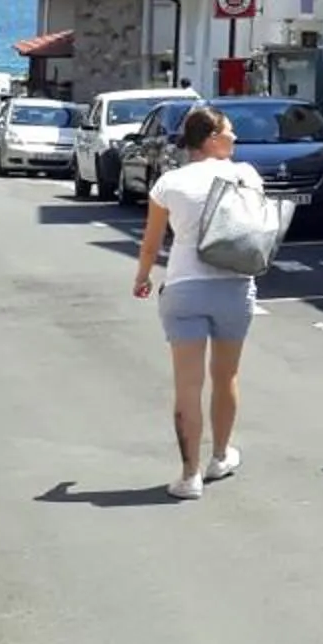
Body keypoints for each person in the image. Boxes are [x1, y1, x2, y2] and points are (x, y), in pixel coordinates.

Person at [133, 105, 264, 500]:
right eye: (229, 132)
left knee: (187, 384)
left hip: (184, 285)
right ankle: (220, 456)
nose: (235, 139)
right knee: (226, 377)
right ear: (210, 139)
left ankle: (189, 476)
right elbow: (256, 225)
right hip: (235, 285)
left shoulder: (170, 183)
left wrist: (142, 277)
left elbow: (152, 241)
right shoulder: (246, 175)